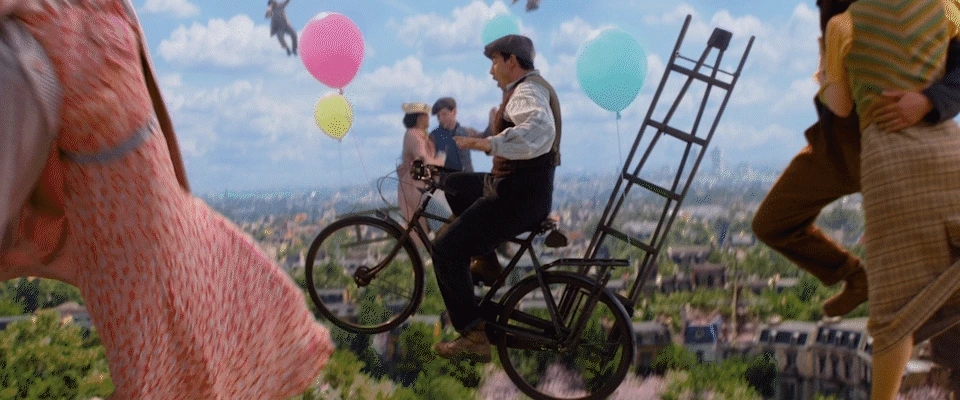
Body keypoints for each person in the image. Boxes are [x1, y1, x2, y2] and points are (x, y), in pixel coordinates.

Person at [0, 1, 333, 398]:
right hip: (119, 236)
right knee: (159, 365)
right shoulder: (28, 28)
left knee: (237, 305)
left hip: (164, 207)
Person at [818, 0, 960, 397]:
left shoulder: (843, 26)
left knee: (895, 307)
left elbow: (841, 105)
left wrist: (827, 68)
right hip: (948, 155)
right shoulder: (945, 10)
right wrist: (928, 99)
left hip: (890, 164)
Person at [431, 34, 561, 362]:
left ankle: (472, 334)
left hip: (515, 198)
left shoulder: (528, 92)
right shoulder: (521, 92)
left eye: (494, 62)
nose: (491, 71)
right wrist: (487, 137)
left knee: (444, 250)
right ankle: (487, 261)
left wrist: (489, 144)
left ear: (511, 61)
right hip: (514, 189)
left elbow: (539, 130)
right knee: (455, 185)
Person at [397, 101, 444, 237]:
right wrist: (442, 161)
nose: (428, 118)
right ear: (419, 117)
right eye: (426, 115)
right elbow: (425, 160)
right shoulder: (414, 135)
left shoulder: (418, 134)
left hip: (420, 183)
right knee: (441, 221)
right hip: (418, 185)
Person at [429, 97, 487, 173]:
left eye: (444, 114)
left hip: (468, 177)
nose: (441, 119)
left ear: (454, 111)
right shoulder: (433, 136)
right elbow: (430, 162)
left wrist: (493, 123)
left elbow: (485, 140)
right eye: (438, 116)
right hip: (447, 179)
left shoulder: (467, 132)